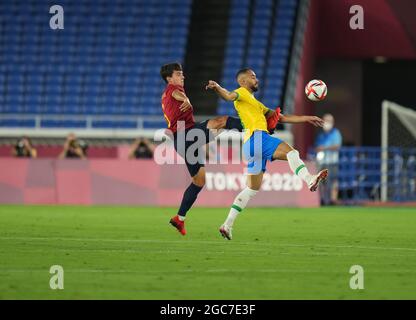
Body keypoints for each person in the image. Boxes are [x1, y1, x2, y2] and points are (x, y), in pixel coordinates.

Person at [206, 68, 328, 240]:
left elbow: (281, 118)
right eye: (252, 77)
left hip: (249, 145)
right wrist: (217, 87)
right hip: (258, 137)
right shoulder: (240, 93)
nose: (256, 79)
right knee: (292, 153)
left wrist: (307, 118)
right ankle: (309, 179)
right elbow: (228, 96)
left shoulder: (256, 104)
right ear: (242, 81)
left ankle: (227, 224)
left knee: (251, 189)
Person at [160, 62, 243, 236]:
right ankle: (254, 125)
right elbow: (176, 94)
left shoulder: (168, 93)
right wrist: (186, 99)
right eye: (178, 74)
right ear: (169, 78)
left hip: (182, 141)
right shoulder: (172, 90)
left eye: (182, 73)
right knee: (222, 121)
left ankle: (179, 218)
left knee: (199, 181)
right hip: (186, 135)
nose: (182, 76)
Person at [314, 113, 342, 205]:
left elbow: (337, 146)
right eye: (325, 121)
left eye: (328, 121)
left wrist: (325, 148)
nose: (326, 123)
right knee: (321, 181)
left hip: (332, 161)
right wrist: (319, 149)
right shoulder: (321, 135)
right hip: (322, 161)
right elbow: (317, 147)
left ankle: (333, 199)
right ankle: (322, 199)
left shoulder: (335, 133)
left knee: (333, 180)